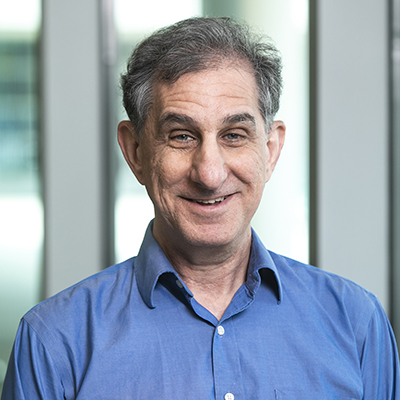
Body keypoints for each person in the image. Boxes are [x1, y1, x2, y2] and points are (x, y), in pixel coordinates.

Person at [1, 16, 399, 400]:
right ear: (135, 151)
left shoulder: (357, 325)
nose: (209, 173)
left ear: (270, 150)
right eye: (182, 136)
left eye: (234, 135)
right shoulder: (54, 341)